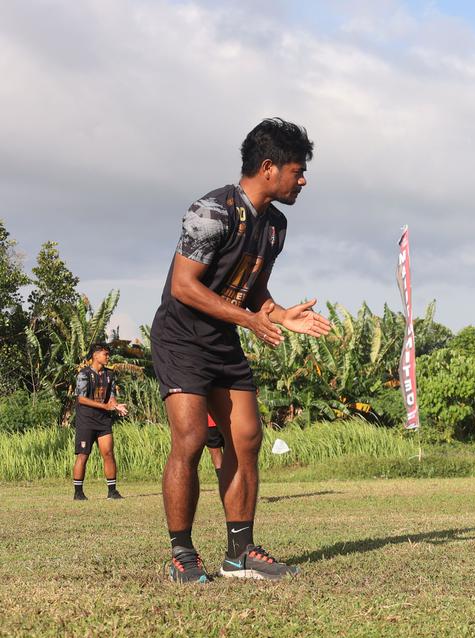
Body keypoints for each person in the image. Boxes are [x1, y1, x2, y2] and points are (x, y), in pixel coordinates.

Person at [150, 118, 332, 583]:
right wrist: (249, 320)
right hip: (181, 339)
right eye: (297, 171)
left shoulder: (275, 226)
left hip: (223, 339)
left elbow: (253, 288)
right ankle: (182, 552)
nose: (303, 181)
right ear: (269, 168)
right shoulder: (212, 211)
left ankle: (240, 553)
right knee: (191, 439)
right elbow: (184, 286)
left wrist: (280, 313)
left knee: (247, 438)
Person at [72, 343, 128, 500]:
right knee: (83, 455)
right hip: (86, 420)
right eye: (105, 354)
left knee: (108, 453)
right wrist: (105, 406)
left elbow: (111, 396)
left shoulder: (110, 374)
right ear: (95, 355)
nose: (108, 357)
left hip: (103, 420)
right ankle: (78, 492)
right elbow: (81, 399)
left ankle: (112, 491)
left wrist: (116, 406)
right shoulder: (83, 374)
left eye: (108, 354)